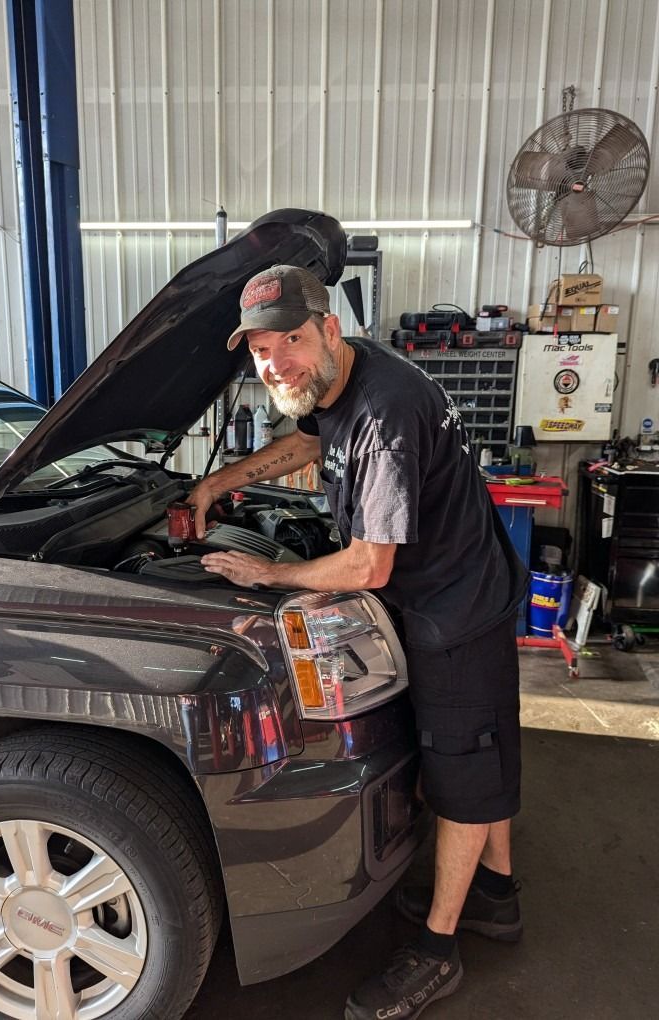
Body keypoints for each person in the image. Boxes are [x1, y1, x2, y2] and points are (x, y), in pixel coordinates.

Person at [188, 264, 527, 1019]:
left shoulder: (386, 409)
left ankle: (439, 952)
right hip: (444, 596)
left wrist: (272, 573)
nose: (276, 363)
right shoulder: (342, 383)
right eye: (262, 351)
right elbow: (307, 447)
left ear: (330, 330)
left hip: (456, 612)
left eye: (292, 342)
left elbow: (370, 564)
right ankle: (496, 897)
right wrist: (218, 485)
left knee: (462, 773)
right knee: (482, 751)